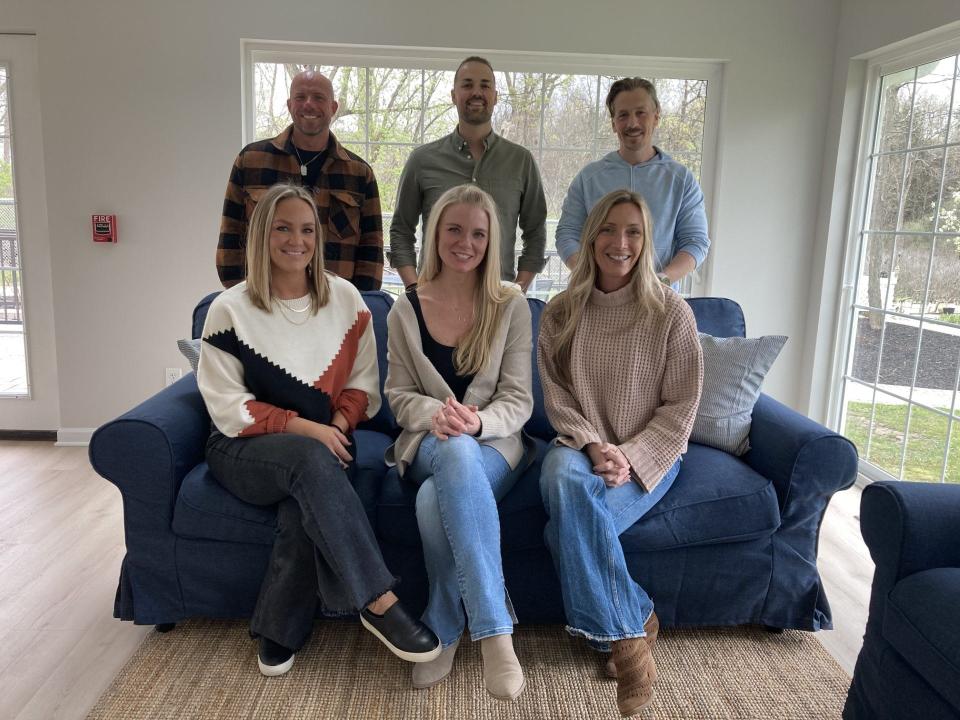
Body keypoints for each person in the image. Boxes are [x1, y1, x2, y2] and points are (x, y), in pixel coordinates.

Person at [198, 184, 439, 677]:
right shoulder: (230, 309)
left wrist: (335, 424)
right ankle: (379, 601)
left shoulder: (346, 300)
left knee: (303, 496)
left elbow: (364, 387)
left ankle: (278, 627)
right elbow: (227, 406)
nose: (296, 240)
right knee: (311, 461)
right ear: (263, 234)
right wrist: (305, 428)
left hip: (322, 444)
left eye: (306, 230)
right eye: (283, 228)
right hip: (243, 449)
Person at [537, 189, 703, 716]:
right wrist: (593, 444)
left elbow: (681, 408)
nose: (620, 242)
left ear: (647, 241)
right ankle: (631, 642)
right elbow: (557, 396)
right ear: (591, 238)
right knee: (566, 485)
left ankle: (630, 620)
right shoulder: (561, 311)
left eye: (633, 231)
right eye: (609, 229)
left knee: (563, 527)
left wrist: (627, 455)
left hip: (647, 456)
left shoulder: (671, 313)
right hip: (577, 445)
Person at [384, 184, 534, 699]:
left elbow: (518, 400)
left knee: (434, 499)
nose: (464, 242)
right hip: (427, 442)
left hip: (495, 446)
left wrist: (477, 424)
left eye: (477, 233)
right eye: (454, 229)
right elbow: (398, 395)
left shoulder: (511, 305)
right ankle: (495, 630)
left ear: (492, 241)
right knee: (450, 449)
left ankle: (445, 625)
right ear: (434, 234)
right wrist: (437, 415)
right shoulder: (404, 308)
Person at [389, 56, 547, 292]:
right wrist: (414, 289)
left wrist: (517, 290)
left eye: (484, 85)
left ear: (495, 96)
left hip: (497, 298)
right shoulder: (422, 160)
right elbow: (401, 230)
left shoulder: (521, 161)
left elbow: (535, 232)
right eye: (467, 85)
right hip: (434, 298)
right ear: (454, 95)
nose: (476, 92)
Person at [217, 70, 384, 291]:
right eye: (300, 97)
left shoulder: (359, 173)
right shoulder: (251, 161)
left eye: (318, 98)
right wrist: (244, 296)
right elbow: (230, 236)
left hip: (333, 306)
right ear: (289, 105)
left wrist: (356, 303)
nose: (308, 104)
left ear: (333, 108)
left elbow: (371, 248)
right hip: (262, 300)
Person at [555, 78, 710, 286]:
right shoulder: (588, 178)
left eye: (640, 113)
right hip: (597, 297)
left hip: (658, 301)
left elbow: (696, 241)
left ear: (656, 117)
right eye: (623, 115)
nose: (632, 123)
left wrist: (660, 281)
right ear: (613, 123)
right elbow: (567, 234)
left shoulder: (681, 181)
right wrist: (587, 275)